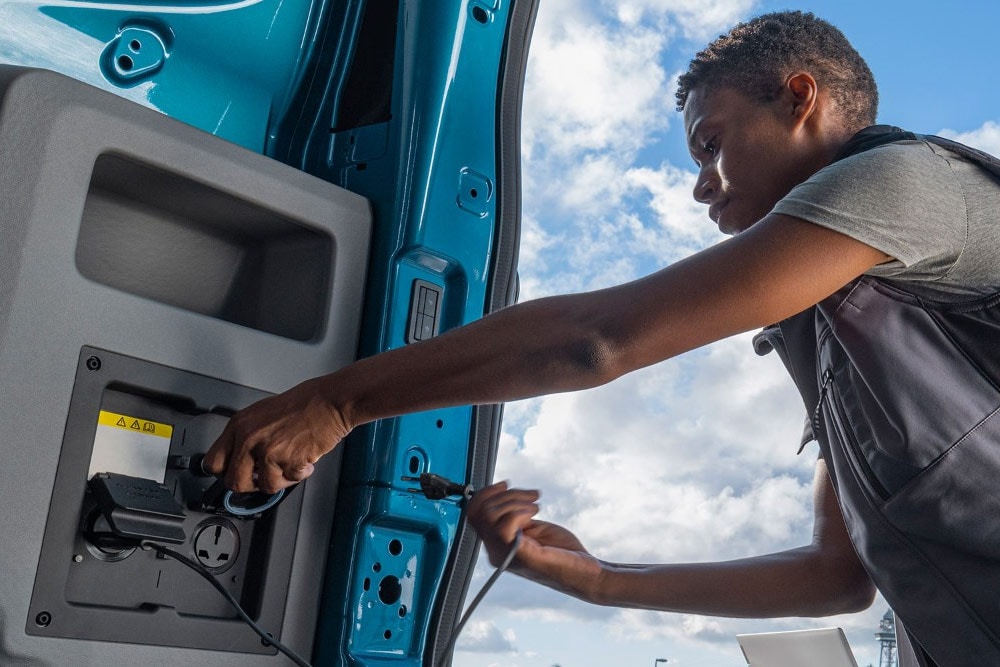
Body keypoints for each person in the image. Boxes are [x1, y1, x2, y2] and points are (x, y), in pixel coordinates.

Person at [204, 11, 1000, 666]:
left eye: (711, 144)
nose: (700, 183)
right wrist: (594, 579)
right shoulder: (819, 327)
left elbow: (599, 339)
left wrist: (337, 401)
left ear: (800, 99)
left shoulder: (906, 182)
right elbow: (836, 576)